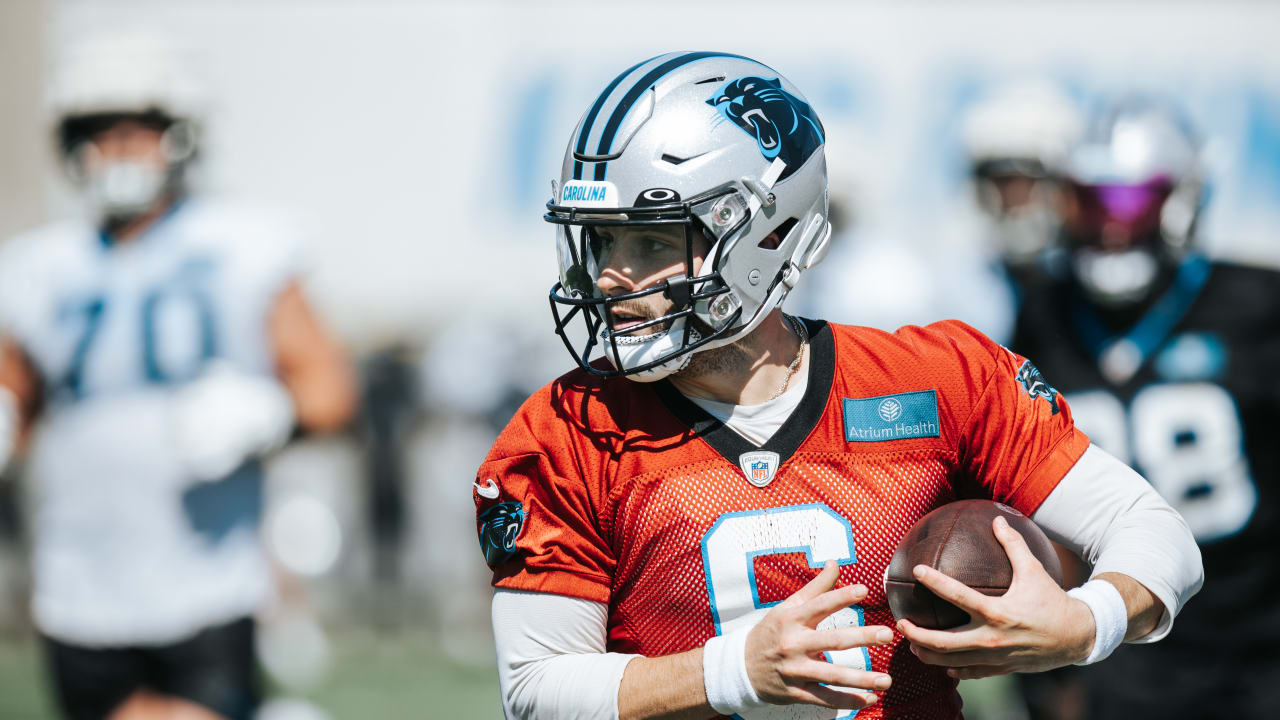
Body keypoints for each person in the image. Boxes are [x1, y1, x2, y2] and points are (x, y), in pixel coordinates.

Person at [474, 52, 1202, 720]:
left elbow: (1156, 533)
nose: (610, 278)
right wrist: (732, 672)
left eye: (653, 242)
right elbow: (539, 691)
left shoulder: (941, 380)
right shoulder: (568, 430)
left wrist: (1086, 622)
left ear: (764, 235)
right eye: (603, 242)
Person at [0, 30, 357, 720]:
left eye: (138, 129)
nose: (120, 148)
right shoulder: (38, 267)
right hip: (77, 581)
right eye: (101, 130)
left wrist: (271, 413)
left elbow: (330, 388)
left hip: (205, 576)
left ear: (178, 133)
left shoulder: (243, 245)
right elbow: (17, 395)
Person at [1010, 96, 1279, 719]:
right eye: (1089, 201)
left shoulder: (1254, 304)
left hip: (1256, 643)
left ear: (1178, 202)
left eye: (1129, 203)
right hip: (1121, 647)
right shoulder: (1043, 311)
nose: (1109, 226)